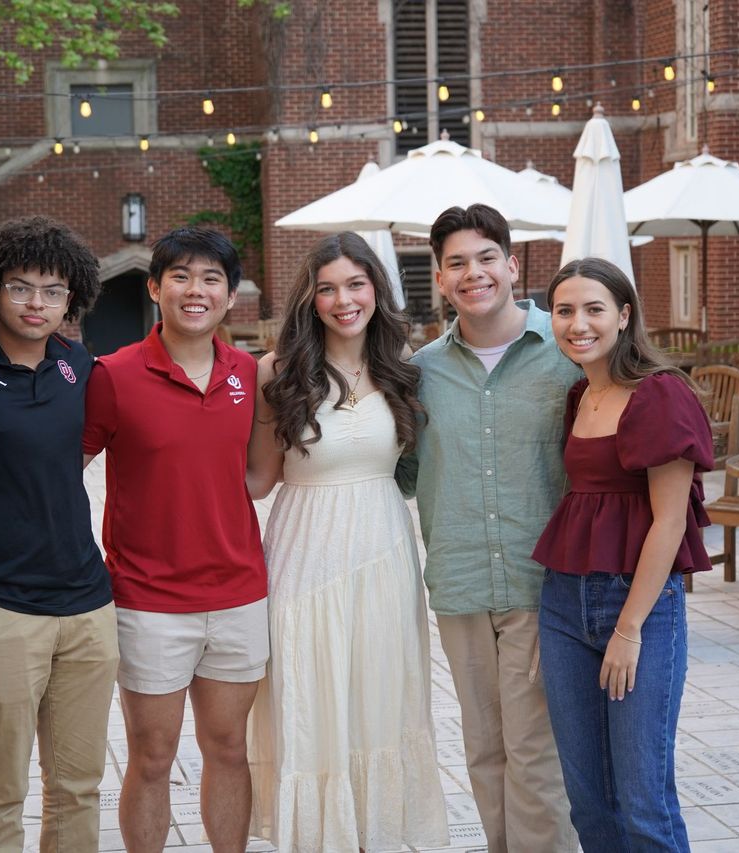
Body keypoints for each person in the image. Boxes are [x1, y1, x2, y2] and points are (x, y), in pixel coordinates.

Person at [245, 233, 449, 852]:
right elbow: (257, 480)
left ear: (375, 290)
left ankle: (374, 837)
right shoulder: (277, 372)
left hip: (385, 553)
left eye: (355, 284)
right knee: (311, 701)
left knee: (381, 699)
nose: (342, 300)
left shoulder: (403, 369)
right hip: (304, 555)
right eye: (327, 288)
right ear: (310, 298)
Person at [395, 203, 578, 853]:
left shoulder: (566, 355)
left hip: (542, 582)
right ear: (440, 280)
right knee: (484, 746)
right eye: (457, 264)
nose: (474, 274)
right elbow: (404, 473)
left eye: (485, 258)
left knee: (536, 749)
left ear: (512, 264)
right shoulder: (422, 372)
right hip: (461, 578)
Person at [81, 227, 267, 853]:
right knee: (153, 756)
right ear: (155, 288)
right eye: (181, 277)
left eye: (212, 278)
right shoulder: (113, 375)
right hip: (148, 602)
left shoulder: (249, 373)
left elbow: (263, 474)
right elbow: (56, 470)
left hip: (239, 596)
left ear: (230, 295)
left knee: (230, 748)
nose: (197, 290)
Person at [532, 258, 711, 852]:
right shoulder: (581, 394)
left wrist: (629, 628)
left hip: (638, 606)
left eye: (593, 309)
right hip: (563, 603)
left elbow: (669, 519)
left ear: (624, 315)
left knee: (642, 804)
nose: (577, 323)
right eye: (564, 311)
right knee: (588, 801)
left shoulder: (660, 394)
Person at [0, 217, 118, 853]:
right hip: (0, 601)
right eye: (21, 287)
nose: (35, 303)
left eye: (52, 291)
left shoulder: (78, 364)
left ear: (70, 300)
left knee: (79, 784)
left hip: (87, 599)